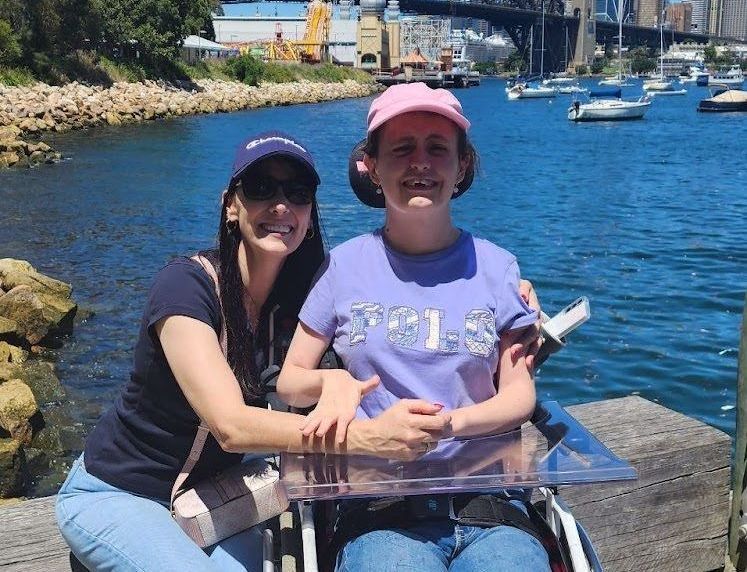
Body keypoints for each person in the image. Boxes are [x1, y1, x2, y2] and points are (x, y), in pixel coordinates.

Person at [55, 131, 454, 572]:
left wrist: (508, 296)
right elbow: (230, 426)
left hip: (215, 496)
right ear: (231, 205)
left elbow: (396, 302)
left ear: (309, 214)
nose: (280, 205)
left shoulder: (300, 297)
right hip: (120, 491)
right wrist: (371, 438)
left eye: (297, 193)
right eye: (261, 187)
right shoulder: (187, 287)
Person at [277, 84, 550, 571]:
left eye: (437, 148)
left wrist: (451, 425)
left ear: (461, 166)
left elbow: (517, 396)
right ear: (373, 166)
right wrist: (335, 382)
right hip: (379, 508)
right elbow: (291, 381)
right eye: (402, 148)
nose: (420, 162)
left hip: (488, 504)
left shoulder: (498, 267)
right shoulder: (342, 267)